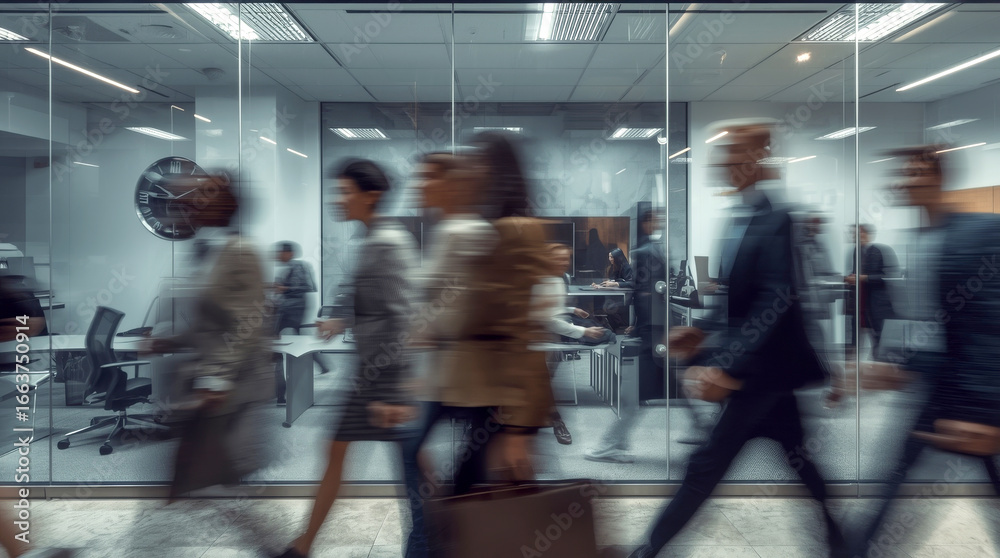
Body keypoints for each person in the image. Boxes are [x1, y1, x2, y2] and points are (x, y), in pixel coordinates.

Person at [628, 121, 844, 558]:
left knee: (705, 467)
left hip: (761, 374)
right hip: (768, 376)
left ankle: (647, 551)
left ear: (757, 160)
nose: (724, 163)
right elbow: (734, 302)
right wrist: (700, 330)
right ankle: (843, 543)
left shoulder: (778, 219)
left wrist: (728, 368)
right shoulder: (737, 218)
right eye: (723, 155)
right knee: (800, 461)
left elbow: (777, 298)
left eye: (734, 154)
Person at [402, 132, 555, 557]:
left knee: (485, 511)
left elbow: (523, 334)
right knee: (465, 506)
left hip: (501, 399)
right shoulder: (482, 229)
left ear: (499, 174)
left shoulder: (518, 231)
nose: (468, 172)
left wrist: (520, 428)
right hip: (473, 390)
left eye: (478, 165)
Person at [851, 146, 1000, 556]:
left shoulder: (980, 233)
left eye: (915, 172)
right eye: (902, 173)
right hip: (938, 394)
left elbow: (990, 330)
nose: (904, 181)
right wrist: (898, 367)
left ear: (938, 177)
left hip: (977, 403)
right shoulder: (921, 239)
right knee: (895, 484)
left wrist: (985, 414)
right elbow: (933, 328)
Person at [276, 159, 418, 558]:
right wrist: (340, 318)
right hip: (371, 373)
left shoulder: (387, 243)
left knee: (412, 469)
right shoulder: (371, 238)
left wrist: (396, 391)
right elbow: (369, 299)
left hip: (384, 376)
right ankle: (303, 545)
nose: (338, 199)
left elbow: (402, 316)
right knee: (345, 453)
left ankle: (442, 539)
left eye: (345, 192)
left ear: (370, 196)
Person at [142, 172, 274, 499]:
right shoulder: (211, 250)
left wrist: (217, 379)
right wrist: (168, 342)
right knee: (205, 481)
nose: (191, 202)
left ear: (224, 205)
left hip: (233, 388)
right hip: (214, 386)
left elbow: (247, 325)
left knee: (215, 479)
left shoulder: (241, 251)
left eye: (202, 196)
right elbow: (209, 324)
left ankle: (285, 547)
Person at [536, 243, 607, 446]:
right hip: (538, 340)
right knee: (541, 383)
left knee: (544, 382)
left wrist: (572, 309)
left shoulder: (559, 280)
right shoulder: (540, 280)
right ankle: (556, 421)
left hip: (553, 338)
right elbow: (547, 319)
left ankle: (544, 418)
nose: (563, 262)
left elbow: (554, 308)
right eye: (558, 258)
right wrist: (583, 331)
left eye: (566, 258)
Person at [271, 241, 320, 404]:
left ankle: (280, 393)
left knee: (277, 345)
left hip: (291, 309)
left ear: (289, 253)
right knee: (295, 342)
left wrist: (281, 289)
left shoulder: (297, 266)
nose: (278, 255)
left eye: (281, 252)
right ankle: (321, 363)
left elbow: (299, 287)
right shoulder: (291, 267)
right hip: (291, 309)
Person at [845, 223, 898, 357]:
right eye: (853, 234)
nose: (854, 236)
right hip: (861, 301)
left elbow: (889, 276)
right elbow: (856, 274)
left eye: (858, 233)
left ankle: (878, 362)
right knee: (857, 337)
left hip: (877, 303)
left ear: (867, 235)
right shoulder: (856, 251)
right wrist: (850, 278)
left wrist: (864, 278)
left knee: (878, 337)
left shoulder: (879, 251)